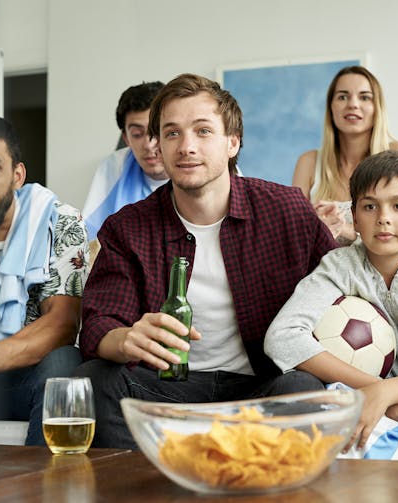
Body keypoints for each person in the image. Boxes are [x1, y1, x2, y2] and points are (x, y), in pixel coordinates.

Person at [74, 73, 337, 449]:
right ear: (160, 147)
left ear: (233, 142)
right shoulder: (127, 227)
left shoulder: (288, 211)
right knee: (97, 380)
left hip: (261, 388)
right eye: (172, 133)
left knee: (303, 388)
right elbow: (100, 322)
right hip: (168, 391)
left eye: (202, 131)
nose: (186, 147)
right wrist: (127, 339)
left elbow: (338, 292)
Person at [266, 150, 398, 450]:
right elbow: (281, 338)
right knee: (296, 390)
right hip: (351, 397)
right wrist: (376, 391)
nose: (383, 219)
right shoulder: (340, 264)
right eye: (370, 206)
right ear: (355, 217)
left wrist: (389, 394)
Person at [0, 114, 88, 445]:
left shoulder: (59, 222)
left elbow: (62, 324)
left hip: (28, 377)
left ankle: (43, 490)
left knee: (66, 361)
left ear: (17, 175)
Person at [292, 66, 398, 245]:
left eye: (364, 97)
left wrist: (348, 230)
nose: (353, 104)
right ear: (331, 108)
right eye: (342, 97)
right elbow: (292, 236)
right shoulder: (308, 162)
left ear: (377, 107)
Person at [82, 81, 166, 243]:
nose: (148, 145)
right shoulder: (114, 167)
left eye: (155, 131)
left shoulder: (196, 166)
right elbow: (89, 237)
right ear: (126, 138)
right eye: (136, 134)